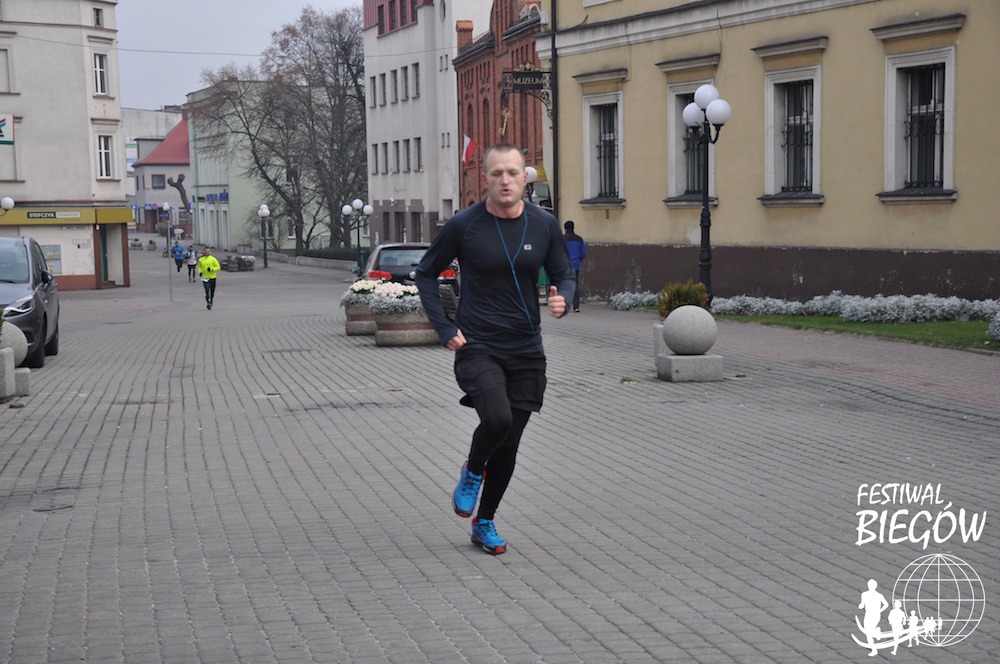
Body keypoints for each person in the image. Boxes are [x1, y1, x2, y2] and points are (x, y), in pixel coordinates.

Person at [416, 143, 576, 555]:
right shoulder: (464, 225)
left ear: (525, 177)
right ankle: (473, 470)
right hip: (478, 345)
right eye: (496, 173)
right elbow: (426, 274)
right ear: (484, 178)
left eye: (512, 173)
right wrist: (444, 327)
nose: (505, 180)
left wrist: (563, 296)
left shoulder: (544, 225)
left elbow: (564, 273)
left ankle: (484, 522)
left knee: (509, 443)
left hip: (526, 349)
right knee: (498, 420)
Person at [858, 579, 889, 657]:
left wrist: (879, 611)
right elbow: (862, 604)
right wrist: (861, 606)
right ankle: (874, 647)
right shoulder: (865, 594)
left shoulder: (877, 595)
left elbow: (886, 604)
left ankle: (874, 647)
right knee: (868, 633)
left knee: (868, 633)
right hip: (869, 614)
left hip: (874, 614)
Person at [563, 220, 586, 312]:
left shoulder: (562, 239)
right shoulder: (579, 239)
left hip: (564, 265)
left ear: (565, 228)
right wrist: (577, 260)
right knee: (575, 285)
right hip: (575, 265)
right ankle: (576, 306)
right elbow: (583, 253)